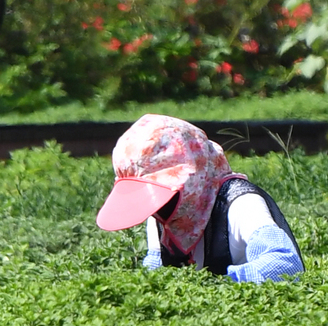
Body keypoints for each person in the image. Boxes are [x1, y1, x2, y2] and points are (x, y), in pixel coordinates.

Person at [95, 114, 303, 283]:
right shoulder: (156, 211)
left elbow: (285, 263)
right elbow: (156, 268)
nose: (155, 211)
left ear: (192, 180)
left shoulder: (239, 204)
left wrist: (215, 284)